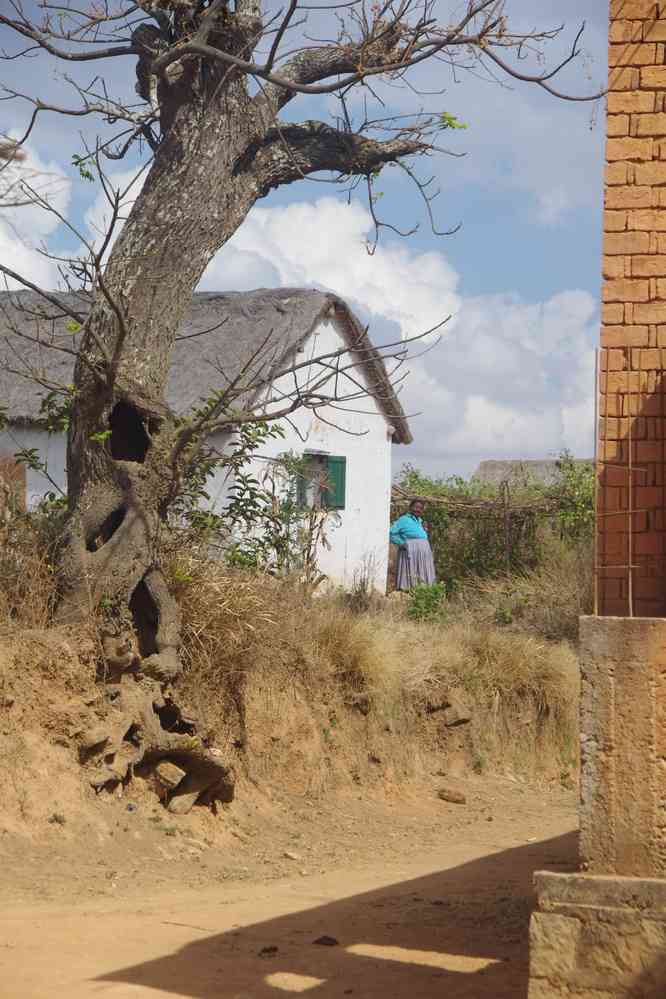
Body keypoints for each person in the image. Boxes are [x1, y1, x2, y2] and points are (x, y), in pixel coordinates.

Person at [389, 497, 437, 590]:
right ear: (410, 507)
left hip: (423, 553)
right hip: (411, 551)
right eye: (416, 507)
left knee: (423, 573)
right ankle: (407, 591)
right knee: (411, 572)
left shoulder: (419, 521)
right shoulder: (403, 519)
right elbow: (391, 533)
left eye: (420, 508)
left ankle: (423, 590)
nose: (418, 510)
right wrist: (402, 543)